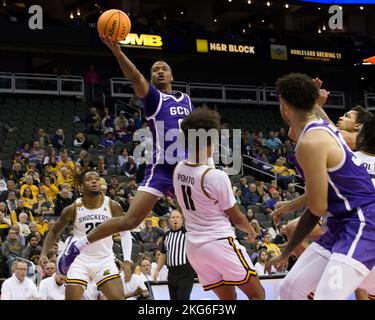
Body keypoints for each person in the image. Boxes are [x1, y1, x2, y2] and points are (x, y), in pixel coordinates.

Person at [54, 35, 203, 267]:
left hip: (186, 168)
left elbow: (195, 132)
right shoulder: (154, 97)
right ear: (152, 78)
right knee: (130, 221)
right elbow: (135, 76)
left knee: (199, 218)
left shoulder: (185, 99)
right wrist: (117, 52)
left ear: (172, 75)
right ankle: (77, 245)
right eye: (155, 70)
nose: (160, 71)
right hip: (162, 168)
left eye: (165, 68)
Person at [265, 73, 375, 300]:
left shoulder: (311, 142)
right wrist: (291, 204)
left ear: (285, 107)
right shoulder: (322, 125)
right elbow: (324, 190)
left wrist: (285, 253)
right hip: (340, 224)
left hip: (363, 222)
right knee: (289, 289)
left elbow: (317, 208)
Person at [173, 108, 264, 300]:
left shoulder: (179, 169)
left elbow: (183, 204)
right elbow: (236, 216)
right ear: (211, 140)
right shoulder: (217, 177)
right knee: (258, 296)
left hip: (194, 248)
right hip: (219, 242)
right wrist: (250, 230)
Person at [39, 171, 132, 300]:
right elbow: (54, 231)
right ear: (81, 186)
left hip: (104, 259)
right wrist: (44, 252)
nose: (94, 181)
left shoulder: (112, 205)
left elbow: (125, 232)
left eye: (97, 179)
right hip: (80, 260)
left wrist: (127, 260)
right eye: (89, 179)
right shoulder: (73, 208)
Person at [153, 210, 195, 300]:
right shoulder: (166, 235)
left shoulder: (188, 233)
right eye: (173, 217)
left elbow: (197, 252)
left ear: (182, 220)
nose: (175, 219)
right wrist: (157, 270)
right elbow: (163, 254)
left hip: (186, 272)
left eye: (177, 217)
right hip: (171, 273)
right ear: (169, 221)